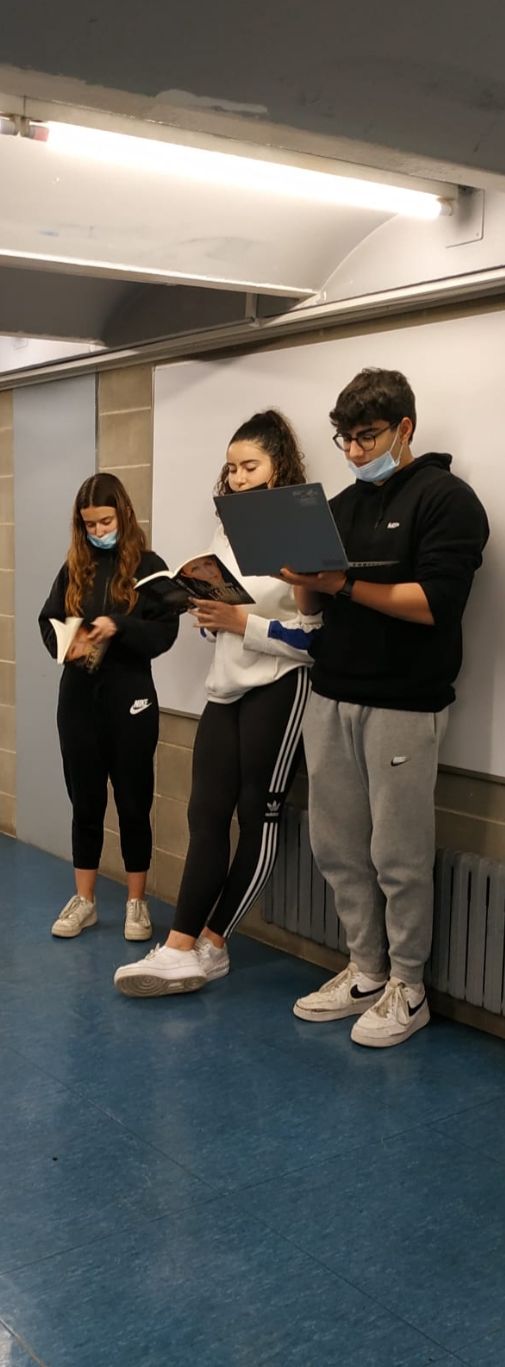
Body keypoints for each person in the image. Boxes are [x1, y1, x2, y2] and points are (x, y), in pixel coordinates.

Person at [282, 368, 488, 1047]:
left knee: (398, 854)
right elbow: (314, 604)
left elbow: (434, 605)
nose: (354, 451)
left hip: (404, 702)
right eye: (344, 439)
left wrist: (342, 583)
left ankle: (408, 985)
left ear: (404, 428)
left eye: (367, 437)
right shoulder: (339, 507)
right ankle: (367, 970)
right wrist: (300, 578)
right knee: (337, 847)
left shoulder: (448, 500)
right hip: (331, 694)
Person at [114, 410, 320, 997]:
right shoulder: (226, 529)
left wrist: (240, 622)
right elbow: (229, 612)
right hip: (226, 686)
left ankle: (209, 943)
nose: (237, 477)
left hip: (281, 685)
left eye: (250, 465)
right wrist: (209, 616)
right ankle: (182, 947)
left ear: (279, 466)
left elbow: (315, 638)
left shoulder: (303, 530)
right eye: (231, 468)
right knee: (205, 815)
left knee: (258, 815)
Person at [39, 473, 179, 941]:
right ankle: (85, 900)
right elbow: (48, 621)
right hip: (78, 701)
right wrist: (68, 643)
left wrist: (120, 626)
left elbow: (165, 633)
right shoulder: (73, 567)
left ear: (124, 514)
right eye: (90, 524)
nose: (98, 531)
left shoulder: (150, 567)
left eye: (105, 521)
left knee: (134, 803)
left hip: (131, 700)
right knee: (85, 803)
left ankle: (137, 903)